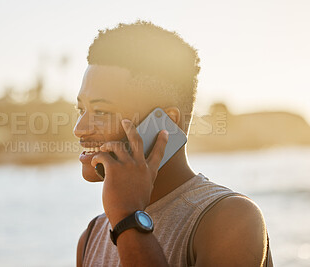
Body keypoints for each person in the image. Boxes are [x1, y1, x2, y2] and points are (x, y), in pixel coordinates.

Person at [74, 20, 273, 267]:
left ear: (166, 124)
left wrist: (128, 219)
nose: (79, 129)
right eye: (81, 109)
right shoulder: (92, 236)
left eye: (101, 111)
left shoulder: (231, 219)